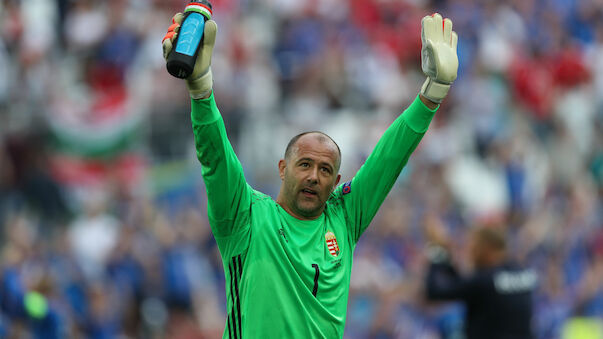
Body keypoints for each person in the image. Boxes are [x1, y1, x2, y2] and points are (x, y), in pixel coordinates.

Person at [162, 8, 458, 338]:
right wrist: (201, 91)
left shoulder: (343, 218)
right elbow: (216, 159)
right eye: (305, 165)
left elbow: (388, 159)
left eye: (325, 169)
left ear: (336, 181)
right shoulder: (245, 217)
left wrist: (432, 93)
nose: (314, 176)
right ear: (282, 169)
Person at [424, 217, 537, 339]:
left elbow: (435, 291)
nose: (472, 254)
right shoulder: (521, 271)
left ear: (487, 249)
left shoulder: (485, 281)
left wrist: (437, 250)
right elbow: (465, 284)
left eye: (474, 248)